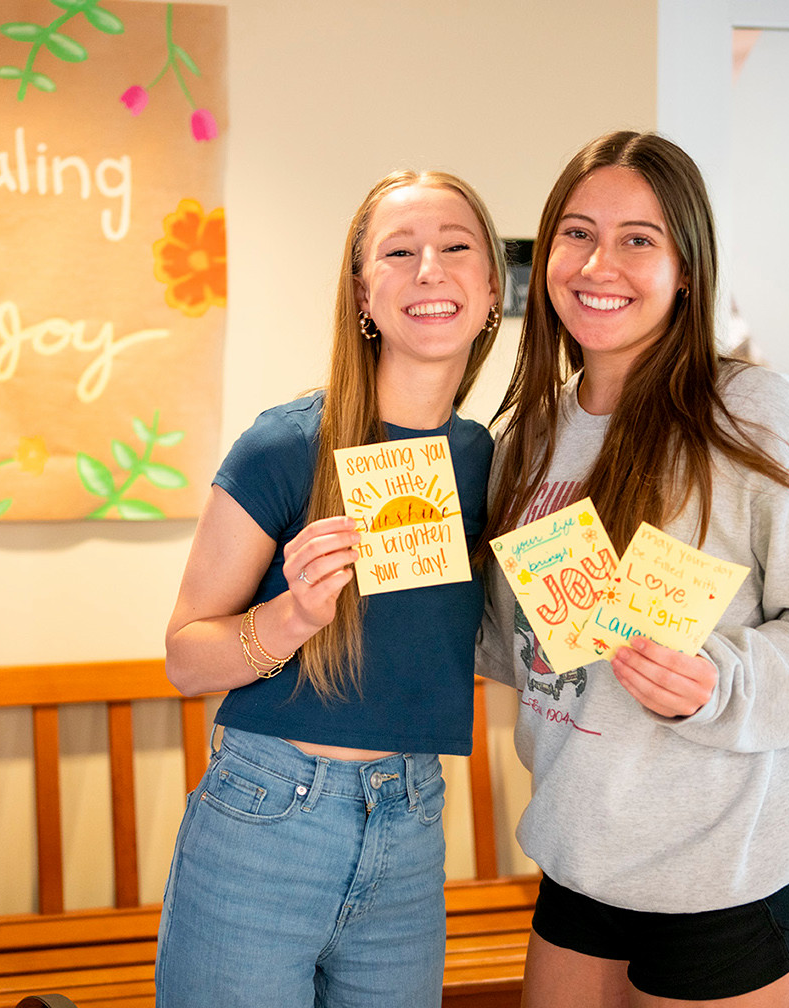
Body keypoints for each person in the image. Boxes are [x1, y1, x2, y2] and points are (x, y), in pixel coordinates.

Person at [477, 130, 789, 1006]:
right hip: (579, 865)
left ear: (687, 267)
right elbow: (507, 644)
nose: (602, 263)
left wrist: (719, 684)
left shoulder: (753, 415)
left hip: (735, 881)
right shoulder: (525, 437)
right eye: (577, 232)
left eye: (640, 239)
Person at [155, 169, 506, 1008]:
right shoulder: (284, 446)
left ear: (492, 287)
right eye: (398, 252)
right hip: (266, 813)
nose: (429, 269)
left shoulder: (493, 460)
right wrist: (290, 616)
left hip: (413, 819)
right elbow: (184, 658)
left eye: (456, 248)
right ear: (362, 293)